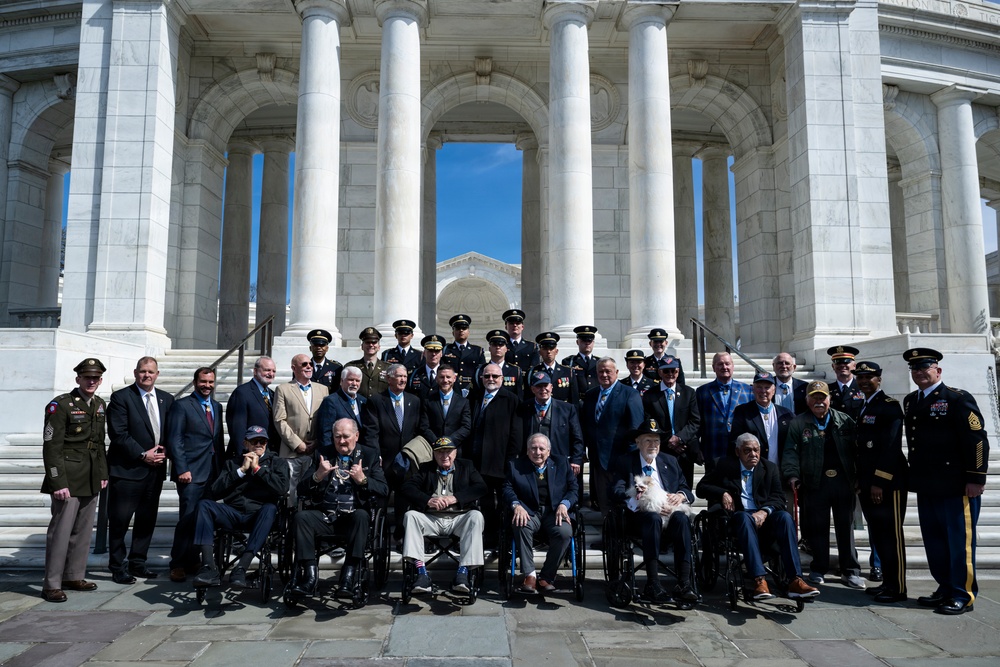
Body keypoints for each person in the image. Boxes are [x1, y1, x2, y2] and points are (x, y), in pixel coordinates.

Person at [903, 348, 988, 615]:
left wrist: (976, 477)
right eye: (915, 369)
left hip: (955, 485)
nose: (919, 372)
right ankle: (945, 586)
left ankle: (963, 593)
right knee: (935, 540)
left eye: (925, 367)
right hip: (927, 484)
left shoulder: (957, 398)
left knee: (958, 541)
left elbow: (977, 439)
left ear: (938, 370)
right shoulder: (911, 401)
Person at [696, 433, 819, 601]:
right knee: (744, 518)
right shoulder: (722, 465)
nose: (753, 454)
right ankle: (759, 579)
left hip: (763, 517)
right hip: (736, 519)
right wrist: (722, 492)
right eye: (747, 450)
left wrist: (764, 512)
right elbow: (701, 488)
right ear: (738, 451)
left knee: (784, 517)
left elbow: (778, 497)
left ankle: (795, 579)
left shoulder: (769, 468)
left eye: (756, 450)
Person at [286, 418, 388, 599]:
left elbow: (383, 489)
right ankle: (310, 576)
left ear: (356, 436)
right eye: (337, 437)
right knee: (301, 518)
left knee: (362, 516)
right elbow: (301, 489)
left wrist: (363, 480)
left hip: (353, 519)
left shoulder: (370, 455)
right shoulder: (322, 454)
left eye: (346, 437)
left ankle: (348, 577)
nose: (341, 441)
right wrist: (317, 476)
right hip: (326, 515)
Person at [782, 381, 865, 589]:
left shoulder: (844, 420)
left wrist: (859, 477)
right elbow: (791, 451)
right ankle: (819, 569)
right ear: (807, 400)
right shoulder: (799, 423)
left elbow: (858, 451)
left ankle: (851, 571)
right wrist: (792, 475)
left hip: (843, 482)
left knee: (845, 528)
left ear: (829, 399)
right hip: (814, 483)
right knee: (817, 529)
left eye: (822, 397)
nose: (819, 402)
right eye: (814, 397)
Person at [40, 358, 109, 603]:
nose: (91, 381)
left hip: (90, 476)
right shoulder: (61, 405)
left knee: (82, 531)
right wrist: (57, 482)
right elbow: (51, 447)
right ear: (77, 378)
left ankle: (73, 575)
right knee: (60, 532)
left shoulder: (99, 405)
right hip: (68, 476)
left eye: (96, 378)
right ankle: (52, 584)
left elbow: (99, 443)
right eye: (87, 377)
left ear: (101, 380)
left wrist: (102, 473)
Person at [611, 419, 697, 605]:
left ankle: (684, 582)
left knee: (682, 519)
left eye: (656, 441)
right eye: (648, 441)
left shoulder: (670, 461)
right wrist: (638, 496)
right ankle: (653, 583)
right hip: (640, 517)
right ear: (638, 443)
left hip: (670, 514)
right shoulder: (626, 461)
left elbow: (686, 489)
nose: (653, 445)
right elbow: (616, 491)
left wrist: (680, 496)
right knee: (652, 518)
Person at [192, 426, 290, 589]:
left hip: (259, 516)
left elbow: (282, 488)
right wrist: (241, 471)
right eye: (254, 441)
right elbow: (214, 492)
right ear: (245, 443)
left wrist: (258, 470)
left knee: (270, 508)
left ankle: (241, 568)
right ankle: (208, 566)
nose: (259, 444)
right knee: (204, 505)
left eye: (262, 441)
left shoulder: (277, 462)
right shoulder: (232, 463)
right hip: (233, 513)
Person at [106, 356, 173, 584]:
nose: (147, 375)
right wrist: (144, 455)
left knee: (146, 520)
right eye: (143, 371)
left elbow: (170, 433)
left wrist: (162, 453)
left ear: (157, 374)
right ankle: (117, 566)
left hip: (154, 473)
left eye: (151, 372)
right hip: (127, 471)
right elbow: (119, 433)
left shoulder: (166, 399)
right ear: (135, 373)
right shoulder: (121, 398)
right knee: (120, 521)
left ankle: (138, 562)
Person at [402, 437, 488, 594]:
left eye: (448, 451)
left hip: (459, 518)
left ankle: (463, 573)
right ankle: (422, 574)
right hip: (431, 518)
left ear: (455, 453)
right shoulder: (426, 468)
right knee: (410, 516)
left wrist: (455, 498)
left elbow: (481, 488)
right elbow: (407, 487)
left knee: (476, 516)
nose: (444, 456)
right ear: (434, 454)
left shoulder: (467, 466)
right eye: (440, 452)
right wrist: (428, 500)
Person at [853, 361, 908, 603]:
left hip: (888, 485)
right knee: (878, 534)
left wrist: (879, 482)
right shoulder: (863, 406)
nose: (864, 381)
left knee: (891, 536)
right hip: (867, 484)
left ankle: (897, 588)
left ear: (879, 379)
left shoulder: (889, 407)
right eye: (860, 377)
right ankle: (887, 582)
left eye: (869, 377)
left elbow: (891, 448)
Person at [165, 367, 225, 582]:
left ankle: (194, 560)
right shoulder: (182, 406)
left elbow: (216, 441)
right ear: (194, 382)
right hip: (190, 474)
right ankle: (178, 563)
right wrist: (181, 469)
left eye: (210, 382)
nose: (207, 386)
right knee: (188, 519)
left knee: (204, 520)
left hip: (211, 474)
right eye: (203, 382)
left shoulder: (217, 407)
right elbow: (175, 440)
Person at [502, 433, 578, 593]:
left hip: (554, 511)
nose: (537, 452)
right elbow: (507, 489)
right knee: (520, 524)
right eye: (533, 448)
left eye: (541, 448)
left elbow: (573, 489)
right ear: (527, 451)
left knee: (565, 532)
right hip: (529, 512)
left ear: (549, 451)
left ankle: (547, 577)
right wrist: (516, 505)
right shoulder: (515, 465)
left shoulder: (562, 463)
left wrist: (565, 504)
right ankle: (530, 576)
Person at [363, 362, 427, 537]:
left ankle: (401, 535)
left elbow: (418, 430)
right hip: (385, 461)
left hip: (408, 461)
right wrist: (376, 456)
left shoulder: (414, 401)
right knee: (382, 501)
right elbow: (371, 432)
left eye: (405, 376)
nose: (403, 379)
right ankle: (378, 536)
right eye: (399, 376)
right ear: (388, 378)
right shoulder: (376, 401)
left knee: (404, 501)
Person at [581, 357, 644, 519]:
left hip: (621, 459)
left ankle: (622, 539)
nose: (604, 374)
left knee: (622, 502)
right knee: (604, 503)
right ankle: (608, 537)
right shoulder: (590, 395)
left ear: (616, 372)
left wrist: (630, 458)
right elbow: (586, 426)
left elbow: (636, 429)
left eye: (608, 371)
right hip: (598, 461)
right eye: (600, 371)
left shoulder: (630, 394)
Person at [468, 362, 523, 547]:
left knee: (504, 502)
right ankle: (489, 536)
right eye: (487, 376)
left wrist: (511, 460)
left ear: (502, 379)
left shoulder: (511, 399)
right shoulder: (474, 397)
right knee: (485, 502)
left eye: (495, 376)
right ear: (481, 378)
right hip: (478, 462)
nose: (491, 379)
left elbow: (516, 434)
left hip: (501, 461)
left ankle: (504, 538)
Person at [274, 354, 330, 506]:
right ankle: (289, 522)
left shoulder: (323, 389)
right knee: (290, 491)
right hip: (291, 452)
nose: (309, 367)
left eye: (310, 364)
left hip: (314, 452)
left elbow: (326, 419)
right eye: (304, 364)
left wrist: (317, 442)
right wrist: (297, 444)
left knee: (311, 490)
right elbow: (279, 420)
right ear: (294, 368)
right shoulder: (283, 389)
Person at [642, 356, 701, 487]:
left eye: (673, 371)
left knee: (685, 490)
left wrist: (679, 439)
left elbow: (695, 421)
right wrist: (669, 440)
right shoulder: (650, 395)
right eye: (666, 371)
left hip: (684, 450)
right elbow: (649, 421)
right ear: (659, 372)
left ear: (678, 372)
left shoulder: (689, 393)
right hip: (662, 449)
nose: (670, 374)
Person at [518, 371, 585, 474]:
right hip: (531, 462)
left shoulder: (567, 409)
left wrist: (576, 460)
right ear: (532, 389)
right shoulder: (523, 408)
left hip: (559, 462)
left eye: (546, 385)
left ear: (551, 387)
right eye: (539, 386)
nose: (543, 389)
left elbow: (577, 438)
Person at [695, 352, 752, 470]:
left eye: (727, 364)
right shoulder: (703, 391)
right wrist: (696, 447)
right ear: (713, 368)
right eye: (720, 364)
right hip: (712, 449)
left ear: (733, 366)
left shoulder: (747, 390)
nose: (724, 367)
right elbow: (697, 422)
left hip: (740, 450)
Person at [729, 370, 793, 464]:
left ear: (774, 390)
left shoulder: (786, 414)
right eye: (759, 387)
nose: (763, 391)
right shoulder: (742, 412)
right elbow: (736, 441)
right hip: (753, 469)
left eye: (767, 387)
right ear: (753, 389)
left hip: (779, 470)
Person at [225, 356, 277, 458]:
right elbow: (237, 428)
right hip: (249, 455)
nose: (271, 374)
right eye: (267, 370)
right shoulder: (242, 393)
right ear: (255, 371)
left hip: (267, 455)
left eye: (273, 371)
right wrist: (244, 455)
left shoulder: (273, 395)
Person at [420, 363, 472, 453]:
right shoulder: (428, 401)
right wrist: (437, 442)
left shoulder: (463, 402)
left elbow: (466, 427)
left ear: (454, 378)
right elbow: (424, 426)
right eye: (441, 377)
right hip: (433, 449)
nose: (445, 380)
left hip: (456, 448)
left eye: (448, 377)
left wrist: (448, 442)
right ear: (436, 379)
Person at [316, 365, 367, 452]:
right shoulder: (331, 401)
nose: (354, 383)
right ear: (341, 381)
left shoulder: (363, 401)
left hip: (359, 451)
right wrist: (328, 454)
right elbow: (325, 433)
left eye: (357, 381)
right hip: (338, 452)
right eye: (350, 380)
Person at [525, 331, 580, 405]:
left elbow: (574, 400)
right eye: (545, 348)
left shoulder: (568, 372)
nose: (548, 351)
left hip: (562, 413)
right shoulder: (532, 372)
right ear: (540, 352)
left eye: (551, 348)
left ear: (556, 351)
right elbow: (528, 398)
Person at [441, 313, 485, 397]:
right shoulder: (446, 350)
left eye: (464, 328)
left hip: (472, 391)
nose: (461, 330)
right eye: (457, 328)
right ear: (453, 332)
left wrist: (470, 387)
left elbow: (481, 373)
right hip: (451, 390)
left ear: (468, 332)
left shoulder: (477, 351)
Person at [476, 329, 522, 400]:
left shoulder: (515, 371)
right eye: (494, 344)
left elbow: (519, 396)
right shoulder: (480, 370)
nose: (497, 347)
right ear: (489, 348)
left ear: (506, 349)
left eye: (501, 344)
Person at [346, 327, 390, 398]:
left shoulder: (388, 368)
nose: (371, 345)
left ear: (378, 347)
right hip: (358, 407)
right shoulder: (351, 367)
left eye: (374, 342)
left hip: (380, 408)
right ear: (362, 346)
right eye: (367, 342)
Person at [827, 345, 865, 418]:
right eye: (838, 362)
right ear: (833, 366)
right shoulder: (827, 390)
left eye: (846, 362)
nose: (842, 365)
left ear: (854, 366)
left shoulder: (863, 388)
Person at [563, 325, 599, 398]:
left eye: (589, 340)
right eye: (584, 340)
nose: (587, 343)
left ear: (593, 342)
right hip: (578, 402)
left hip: (596, 401)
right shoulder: (569, 362)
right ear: (577, 342)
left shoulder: (599, 362)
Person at [408, 334, 445, 401]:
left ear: (441, 354)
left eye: (437, 351)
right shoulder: (414, 375)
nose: (433, 354)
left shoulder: (448, 375)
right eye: (430, 350)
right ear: (424, 353)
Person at [503, 308, 540, 375]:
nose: (515, 325)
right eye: (511, 323)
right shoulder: (502, 346)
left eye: (517, 323)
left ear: (522, 327)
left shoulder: (532, 346)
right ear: (506, 327)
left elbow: (535, 368)